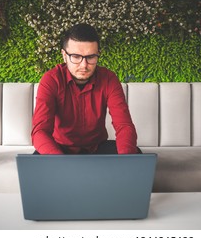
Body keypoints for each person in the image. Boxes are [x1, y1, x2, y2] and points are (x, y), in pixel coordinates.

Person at [31, 23, 140, 155]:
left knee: (134, 153)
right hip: (60, 149)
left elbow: (124, 126)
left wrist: (126, 160)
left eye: (90, 57)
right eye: (76, 57)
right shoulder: (51, 80)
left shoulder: (109, 79)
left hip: (97, 148)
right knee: (39, 159)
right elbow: (40, 131)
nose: (84, 65)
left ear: (98, 54)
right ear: (64, 55)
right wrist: (60, 162)